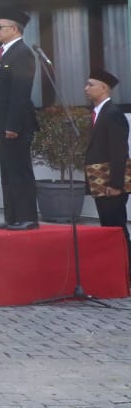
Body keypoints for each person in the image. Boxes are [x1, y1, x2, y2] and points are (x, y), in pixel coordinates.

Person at [0, 8, 38, 230]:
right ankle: (12, 217)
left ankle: (27, 217)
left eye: (1, 27)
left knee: (19, 170)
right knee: (7, 172)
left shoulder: (22, 53)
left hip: (15, 125)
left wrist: (12, 125)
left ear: (15, 29)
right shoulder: (4, 52)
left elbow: (20, 93)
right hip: (1, 124)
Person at [83, 68, 129, 267]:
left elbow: (119, 151)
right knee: (107, 227)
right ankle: (113, 268)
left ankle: (126, 268)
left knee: (116, 228)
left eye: (90, 84)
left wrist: (116, 184)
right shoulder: (98, 113)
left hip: (111, 184)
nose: (86, 88)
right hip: (100, 181)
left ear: (104, 88)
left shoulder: (113, 114)